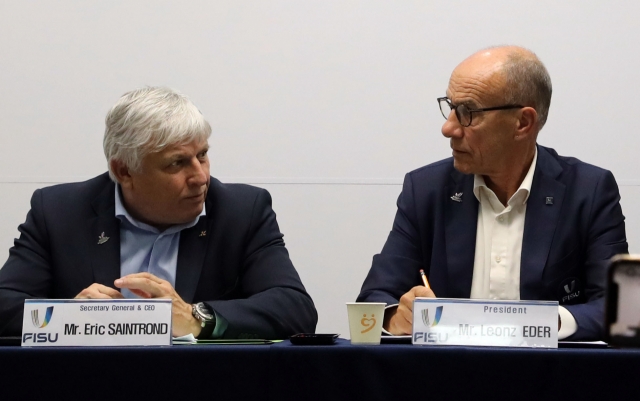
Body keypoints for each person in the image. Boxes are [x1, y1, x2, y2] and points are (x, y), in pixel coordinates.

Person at [0, 87, 317, 339]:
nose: (200, 177)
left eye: (202, 155)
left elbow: (294, 309)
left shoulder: (241, 211)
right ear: (124, 171)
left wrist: (196, 318)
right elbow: (5, 304)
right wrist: (68, 316)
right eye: (177, 163)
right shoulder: (59, 212)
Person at [357, 46, 627, 341]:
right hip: (447, 376)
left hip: (550, 379)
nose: (448, 128)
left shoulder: (588, 191)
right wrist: (397, 315)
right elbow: (374, 300)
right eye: (450, 107)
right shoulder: (426, 189)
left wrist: (539, 324)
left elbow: (616, 311)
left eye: (467, 112)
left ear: (523, 123)